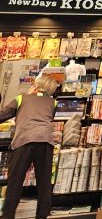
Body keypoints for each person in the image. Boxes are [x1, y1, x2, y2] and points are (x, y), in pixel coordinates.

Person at [0, 75, 59, 219]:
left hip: (24, 140)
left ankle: (7, 216)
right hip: (45, 141)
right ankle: (42, 215)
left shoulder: (21, 98)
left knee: (15, 181)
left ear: (36, 86)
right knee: (44, 183)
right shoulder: (53, 102)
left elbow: (3, 115)